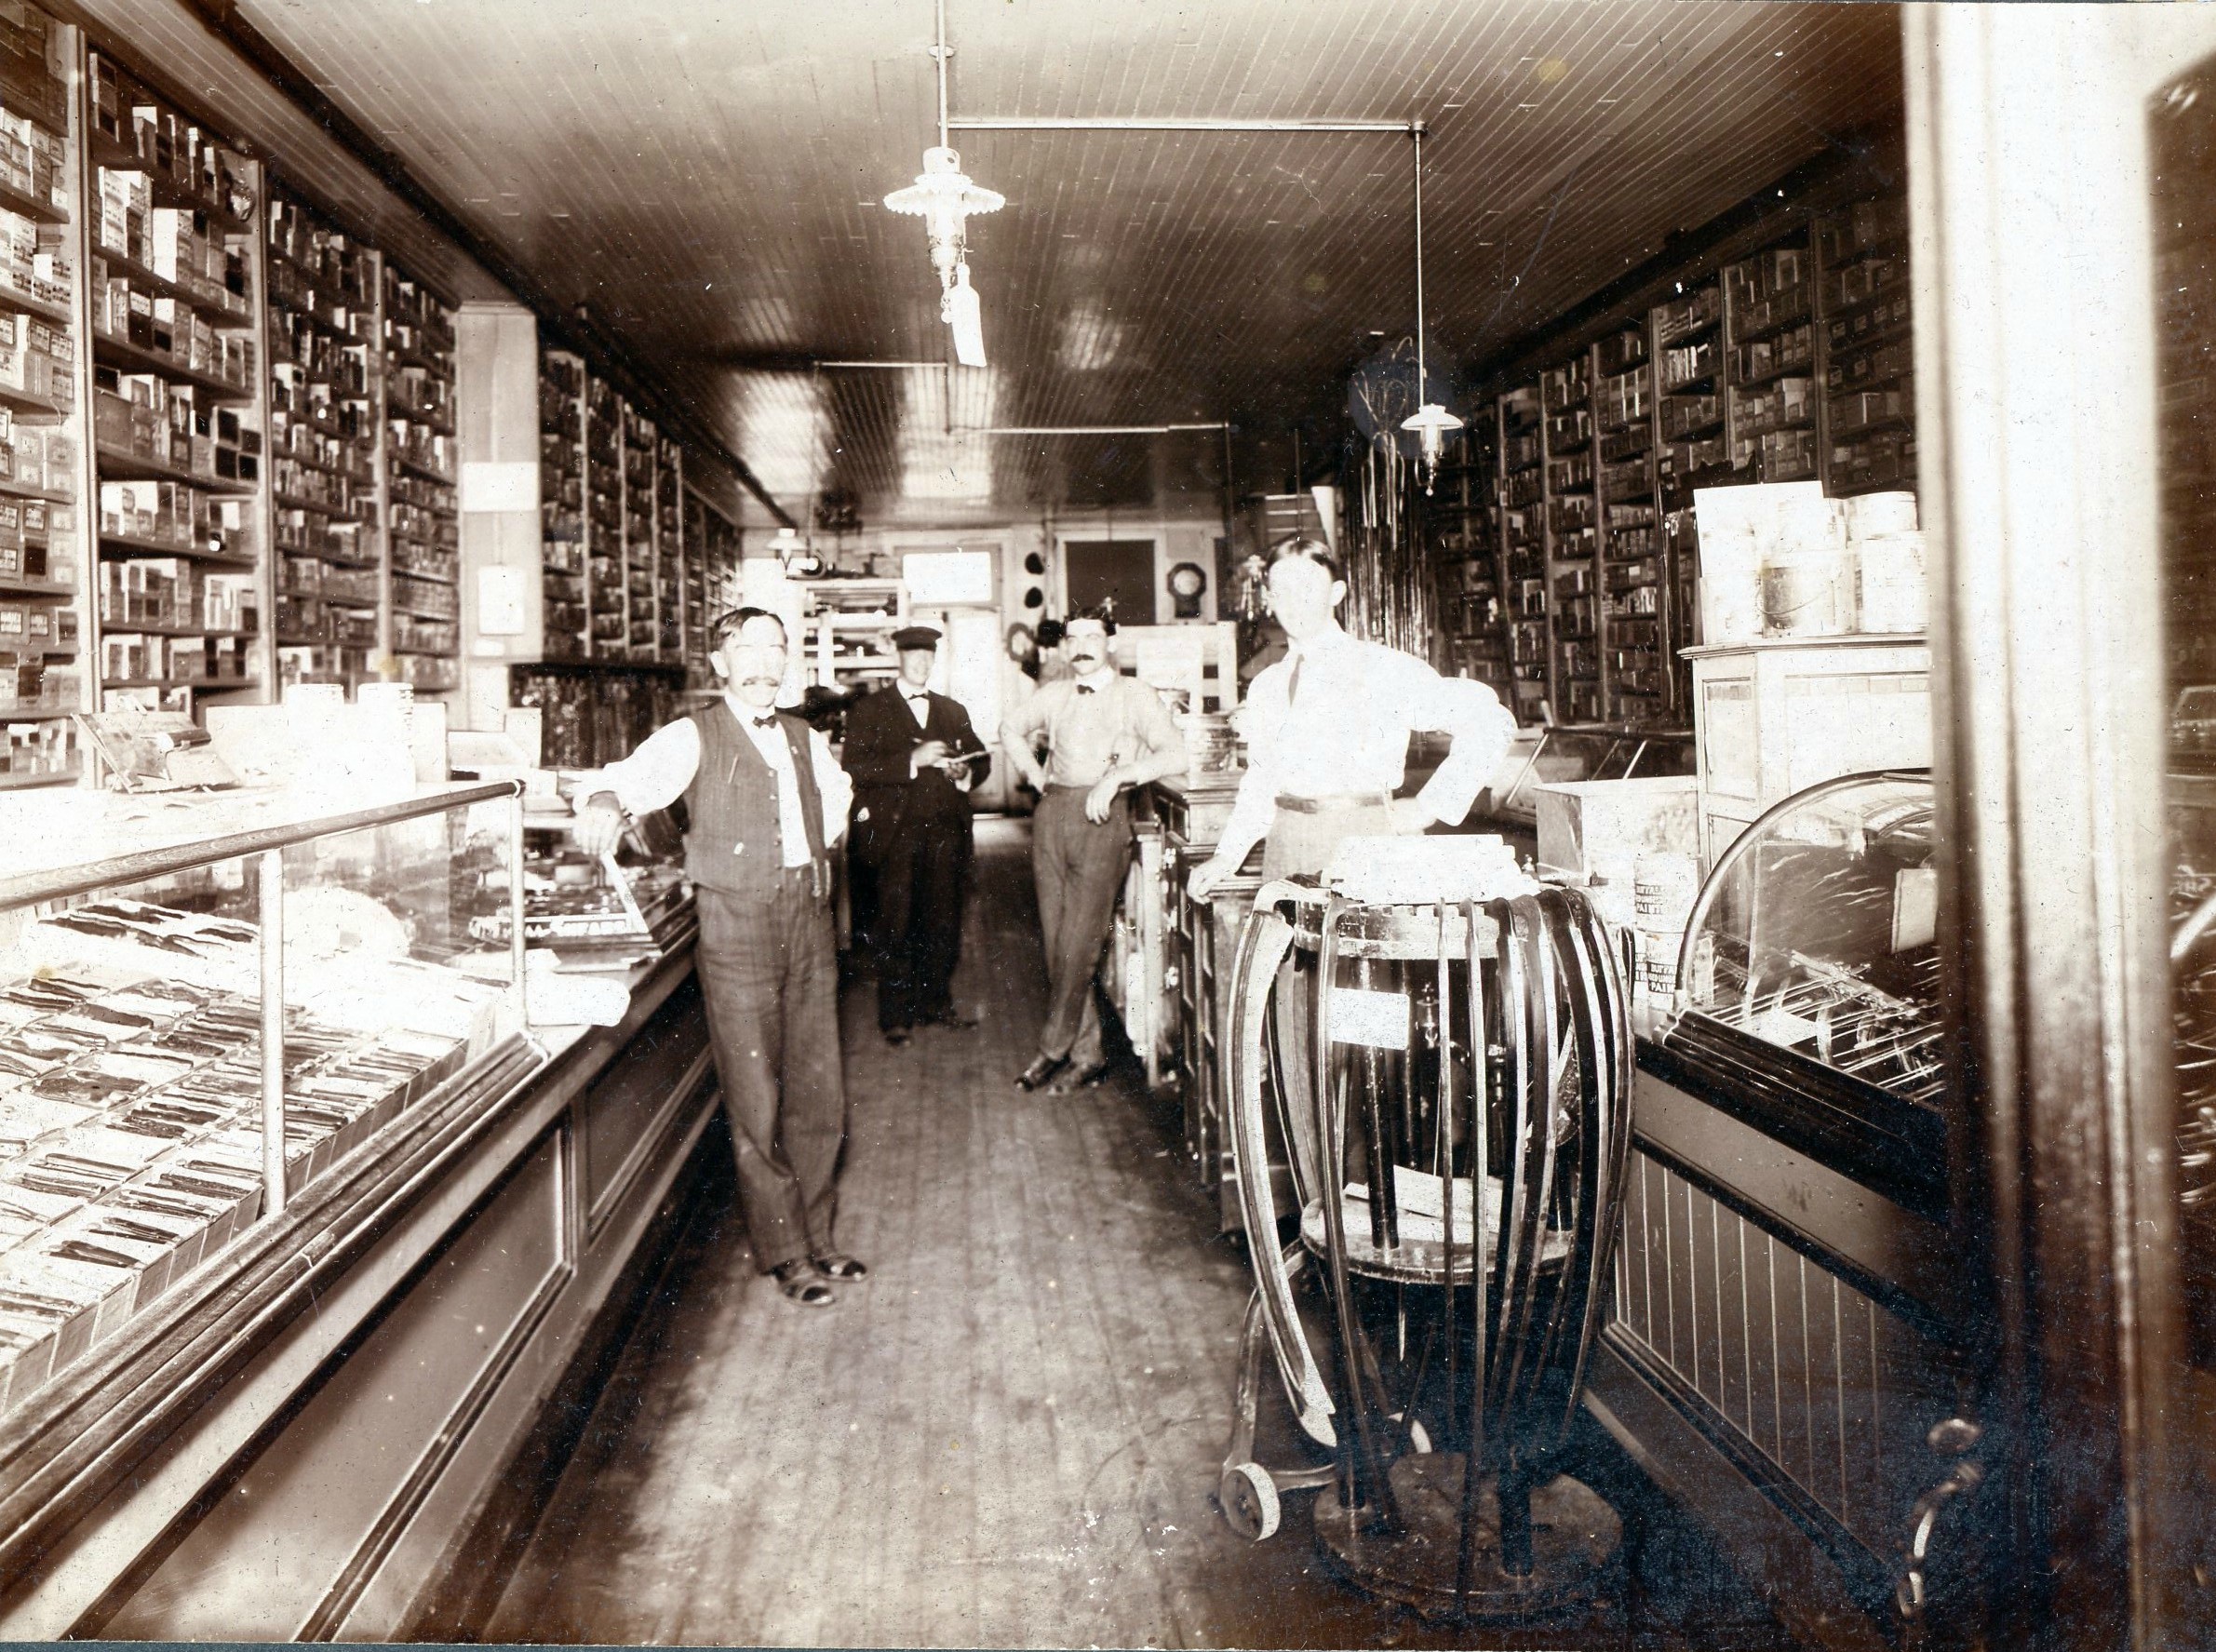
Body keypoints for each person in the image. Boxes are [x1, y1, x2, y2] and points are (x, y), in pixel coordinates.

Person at [573, 607, 864, 1308]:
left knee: (819, 1088)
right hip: (736, 923)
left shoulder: (804, 736)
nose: (764, 661)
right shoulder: (690, 735)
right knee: (756, 1093)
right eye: (748, 648)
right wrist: (609, 801)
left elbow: (841, 800)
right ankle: (786, 1250)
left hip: (807, 915)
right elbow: (618, 779)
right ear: (721, 663)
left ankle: (818, 1233)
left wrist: (813, 858)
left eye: (776, 646)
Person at [1188, 536, 1518, 896]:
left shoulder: (1382, 668)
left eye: (1308, 587)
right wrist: (1226, 855)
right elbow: (1262, 781)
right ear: (1269, 597)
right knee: (1292, 952)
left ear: (1336, 593)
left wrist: (1431, 805)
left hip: (1365, 845)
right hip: (1285, 847)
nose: (1295, 602)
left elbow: (1492, 721)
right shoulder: (1267, 685)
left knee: (1360, 953)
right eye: (1282, 589)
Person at [1001, 611, 1189, 1092]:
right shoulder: (1057, 693)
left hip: (1103, 819)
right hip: (1053, 815)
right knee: (1056, 940)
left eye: (1092, 636)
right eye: (1074, 638)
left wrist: (1119, 776)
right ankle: (1088, 1055)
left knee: (1079, 943)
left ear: (1112, 641)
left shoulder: (1135, 695)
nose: (1082, 645)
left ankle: (1052, 1048)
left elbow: (1177, 754)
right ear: (1064, 647)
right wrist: (1036, 775)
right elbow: (1009, 728)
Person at [842, 625, 989, 1044]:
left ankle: (935, 1004)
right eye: (914, 656)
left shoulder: (952, 710)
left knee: (943, 921)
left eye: (929, 656)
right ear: (899, 659)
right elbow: (854, 769)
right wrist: (913, 759)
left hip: (946, 833)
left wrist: (966, 772)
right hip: (896, 836)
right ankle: (895, 1017)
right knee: (897, 922)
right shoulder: (870, 709)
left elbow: (981, 758)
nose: (922, 663)